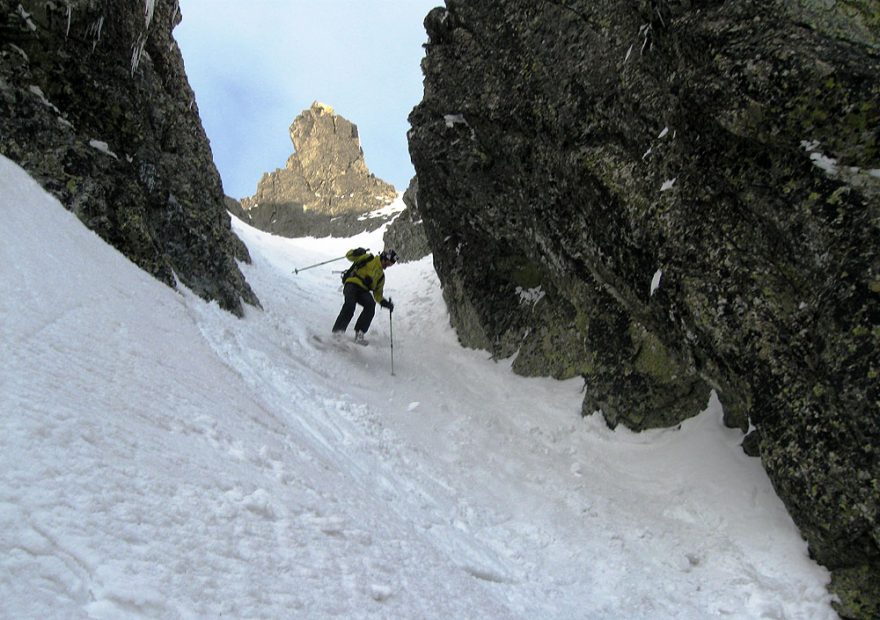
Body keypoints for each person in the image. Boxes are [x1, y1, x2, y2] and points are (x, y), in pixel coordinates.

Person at [332, 247, 397, 344]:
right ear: (383, 258)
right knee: (350, 305)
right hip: (352, 284)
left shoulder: (381, 277)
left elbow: (378, 295)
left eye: (390, 265)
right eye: (387, 263)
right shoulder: (368, 258)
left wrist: (386, 303)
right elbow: (349, 256)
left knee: (370, 304)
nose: (387, 266)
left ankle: (359, 333)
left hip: (363, 291)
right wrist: (356, 252)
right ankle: (338, 332)